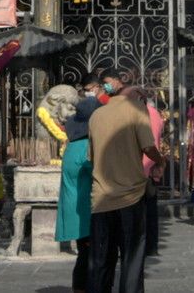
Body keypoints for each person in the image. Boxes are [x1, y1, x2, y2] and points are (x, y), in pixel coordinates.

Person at [86, 76, 164, 293]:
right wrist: (161, 161)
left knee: (100, 259)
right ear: (137, 98)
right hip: (130, 195)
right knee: (131, 257)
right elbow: (149, 147)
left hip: (101, 197)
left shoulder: (96, 115)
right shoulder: (136, 112)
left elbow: (91, 156)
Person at [57, 96, 99, 293]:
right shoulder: (86, 149)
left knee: (84, 253)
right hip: (85, 211)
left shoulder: (72, 147)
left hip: (75, 209)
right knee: (89, 255)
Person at [123, 86, 164, 257]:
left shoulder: (132, 114)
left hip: (134, 167)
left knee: (133, 210)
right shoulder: (155, 114)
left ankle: (133, 245)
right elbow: (158, 136)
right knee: (151, 209)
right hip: (152, 166)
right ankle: (151, 246)